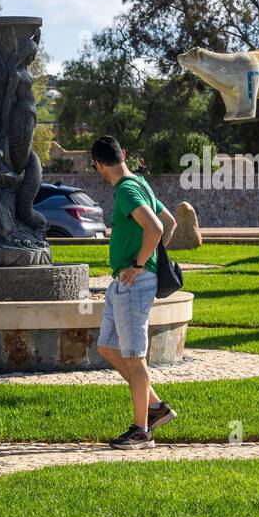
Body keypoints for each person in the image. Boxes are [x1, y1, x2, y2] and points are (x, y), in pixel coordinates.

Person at [90, 134, 178, 449]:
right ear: (123, 154)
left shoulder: (127, 190)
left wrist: (142, 264)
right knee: (107, 346)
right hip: (123, 283)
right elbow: (169, 221)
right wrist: (149, 259)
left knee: (135, 357)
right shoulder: (139, 182)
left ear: (98, 165)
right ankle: (155, 407)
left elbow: (155, 228)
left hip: (132, 283)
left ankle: (142, 430)